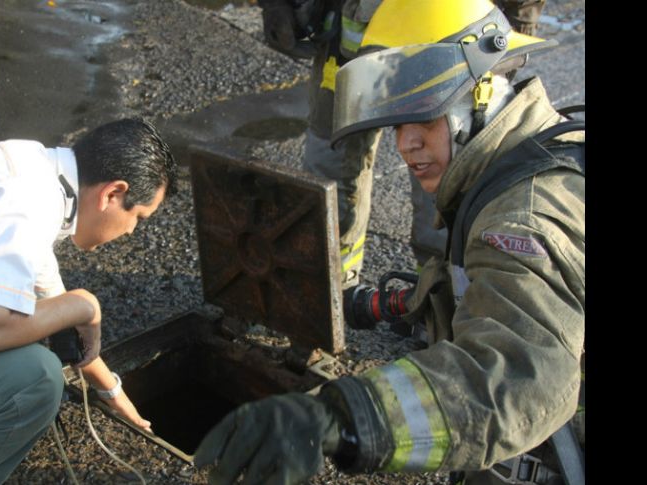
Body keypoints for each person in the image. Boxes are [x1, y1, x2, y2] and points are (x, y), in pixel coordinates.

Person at [194, 1, 584, 484]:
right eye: (396, 125)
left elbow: (517, 379)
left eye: (422, 115)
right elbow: (483, 290)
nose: (404, 145)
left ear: (480, 93)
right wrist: (380, 304)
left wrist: (339, 418)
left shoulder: (519, 221)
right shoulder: (538, 150)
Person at [0, 117, 177, 484]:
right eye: (139, 218)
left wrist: (111, 389)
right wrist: (84, 305)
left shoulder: (33, 168)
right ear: (113, 193)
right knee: (36, 378)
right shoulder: (28, 203)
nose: (132, 231)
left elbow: (52, 295)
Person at [257, 0, 547, 288]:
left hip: (448, 51)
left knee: (445, 179)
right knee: (327, 172)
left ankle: (441, 297)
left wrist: (507, 42)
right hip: (346, 52)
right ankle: (331, 289)